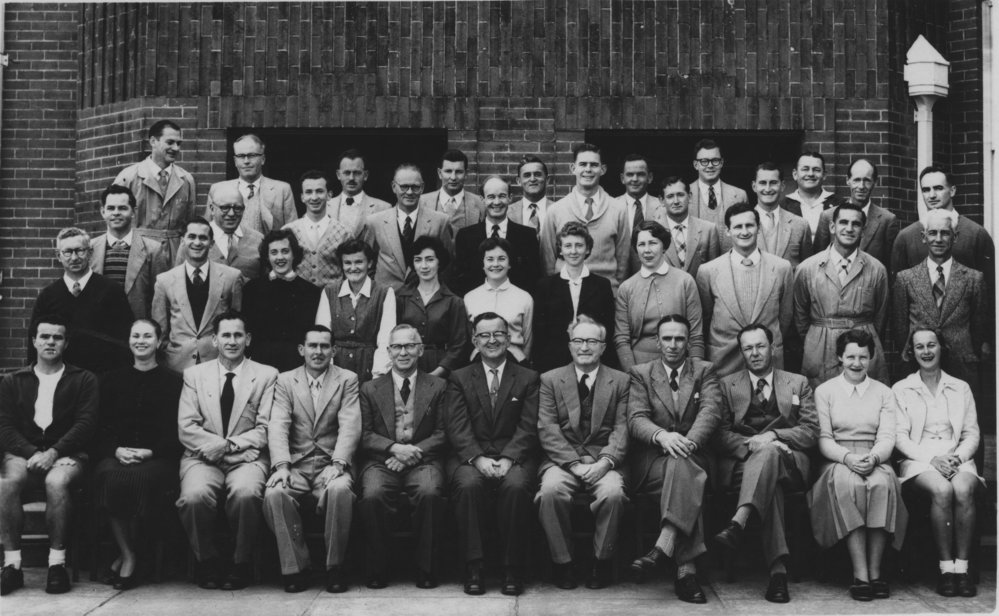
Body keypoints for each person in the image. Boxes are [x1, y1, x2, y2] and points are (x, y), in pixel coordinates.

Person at [711, 323, 818, 603]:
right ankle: (778, 573)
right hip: (744, 463)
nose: (755, 353)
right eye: (748, 348)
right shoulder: (727, 385)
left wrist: (773, 435)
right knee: (771, 478)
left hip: (791, 460)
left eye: (760, 346)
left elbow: (810, 431)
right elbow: (719, 434)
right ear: (742, 352)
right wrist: (753, 446)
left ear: (772, 347)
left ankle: (740, 520)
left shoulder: (797, 382)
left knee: (770, 453)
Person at [176, 310, 278, 591]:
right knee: (194, 497)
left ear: (248, 339)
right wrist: (217, 448)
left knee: (246, 494)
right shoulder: (194, 375)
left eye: (238, 335)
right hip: (202, 458)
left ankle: (240, 562)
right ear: (214, 340)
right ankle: (206, 559)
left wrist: (230, 445)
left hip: (247, 458)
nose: (232, 341)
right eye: (226, 335)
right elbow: (187, 427)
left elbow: (265, 427)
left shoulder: (267, 375)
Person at [0, 316, 98, 596]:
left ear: (66, 343)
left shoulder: (83, 379)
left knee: (57, 482)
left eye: (57, 337)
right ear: (34, 342)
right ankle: (12, 565)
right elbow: (4, 426)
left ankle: (57, 564)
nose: (50, 342)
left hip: (68, 454)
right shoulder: (13, 380)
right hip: (23, 453)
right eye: (44, 337)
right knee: (6, 483)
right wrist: (34, 453)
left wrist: (55, 452)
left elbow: (86, 424)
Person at [807, 329, 906, 602]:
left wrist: (874, 458)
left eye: (863, 357)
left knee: (882, 484)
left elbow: (887, 437)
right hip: (837, 458)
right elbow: (824, 439)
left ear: (871, 358)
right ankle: (859, 574)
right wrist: (848, 458)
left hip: (875, 456)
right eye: (850, 356)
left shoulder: (884, 393)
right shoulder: (825, 391)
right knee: (846, 484)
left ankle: (876, 573)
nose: (856, 363)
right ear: (840, 357)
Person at [628, 315, 722, 604]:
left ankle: (665, 545)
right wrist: (663, 437)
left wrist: (687, 442)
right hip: (655, 462)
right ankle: (686, 572)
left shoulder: (705, 370)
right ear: (657, 341)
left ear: (689, 342)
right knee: (684, 475)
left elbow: (711, 411)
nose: (672, 344)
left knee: (683, 466)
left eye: (679, 338)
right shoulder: (641, 373)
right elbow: (636, 418)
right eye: (666, 338)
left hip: (695, 456)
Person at [446, 312, 540, 596]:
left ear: (509, 337)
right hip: (470, 456)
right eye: (484, 335)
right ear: (474, 340)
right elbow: (456, 425)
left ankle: (512, 569)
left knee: (515, 487)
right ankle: (474, 567)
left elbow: (529, 425)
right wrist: (478, 458)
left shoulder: (528, 377)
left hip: (516, 455)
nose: (492, 340)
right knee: (468, 485)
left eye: (498, 334)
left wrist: (510, 457)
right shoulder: (459, 377)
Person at [263, 325, 360, 594]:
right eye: (313, 346)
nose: (318, 352)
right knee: (274, 494)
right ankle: (296, 567)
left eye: (324, 346)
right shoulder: (285, 381)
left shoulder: (347, 379)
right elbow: (278, 424)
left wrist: (339, 463)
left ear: (334, 351)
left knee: (340, 490)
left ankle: (334, 567)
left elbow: (350, 424)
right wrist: (281, 466)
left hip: (331, 462)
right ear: (301, 350)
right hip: (297, 464)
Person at [536, 315, 629, 590]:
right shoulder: (550, 379)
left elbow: (623, 428)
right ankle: (563, 563)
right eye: (578, 340)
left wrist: (605, 462)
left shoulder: (621, 381)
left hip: (605, 459)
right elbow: (547, 428)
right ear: (569, 345)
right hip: (563, 460)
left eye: (592, 341)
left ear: (603, 346)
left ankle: (602, 561)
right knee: (550, 492)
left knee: (613, 494)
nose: (584, 347)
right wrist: (574, 465)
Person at [92, 319, 183, 590]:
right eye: (135, 336)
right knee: (110, 477)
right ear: (129, 341)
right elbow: (100, 425)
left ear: (158, 342)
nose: (141, 341)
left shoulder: (174, 383)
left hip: (157, 458)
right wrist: (116, 450)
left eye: (147, 336)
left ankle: (130, 555)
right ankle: (129, 554)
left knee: (139, 481)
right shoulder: (110, 380)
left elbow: (176, 429)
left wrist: (149, 452)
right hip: (116, 455)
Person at [892, 328, 982, 598]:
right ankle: (945, 569)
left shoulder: (960, 387)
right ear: (912, 352)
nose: (926, 351)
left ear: (942, 348)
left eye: (932, 345)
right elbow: (899, 437)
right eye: (920, 347)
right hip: (919, 460)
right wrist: (931, 459)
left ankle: (962, 569)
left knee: (964, 489)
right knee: (942, 490)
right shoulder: (902, 388)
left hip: (956, 457)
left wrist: (959, 457)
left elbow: (972, 433)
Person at [357, 325, 449, 589]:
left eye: (410, 346)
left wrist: (412, 452)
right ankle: (379, 567)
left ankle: (426, 568)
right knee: (373, 495)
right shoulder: (370, 388)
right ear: (388, 351)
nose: (403, 352)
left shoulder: (439, 386)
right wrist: (394, 449)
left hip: (424, 460)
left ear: (420, 350)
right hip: (382, 461)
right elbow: (364, 434)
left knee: (430, 492)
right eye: (397, 346)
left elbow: (444, 433)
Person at [793, 203, 889, 387]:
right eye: (843, 222)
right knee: (821, 404)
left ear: (863, 230)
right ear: (832, 227)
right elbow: (800, 318)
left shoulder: (876, 269)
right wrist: (817, 337)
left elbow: (881, 317)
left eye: (856, 224)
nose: (849, 228)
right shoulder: (808, 268)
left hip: (862, 343)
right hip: (820, 346)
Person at [892, 210, 989, 391]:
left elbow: (979, 326)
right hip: (918, 364)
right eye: (932, 233)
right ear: (923, 237)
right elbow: (900, 328)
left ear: (955, 237)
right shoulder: (905, 279)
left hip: (961, 366)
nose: (938, 239)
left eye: (945, 233)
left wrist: (967, 351)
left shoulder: (974, 279)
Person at [697, 203, 794, 377]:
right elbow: (705, 317)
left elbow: (785, 317)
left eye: (749, 225)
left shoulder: (781, 268)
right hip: (724, 361)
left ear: (759, 228)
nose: (744, 231)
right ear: (727, 231)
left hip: (768, 361)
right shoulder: (708, 271)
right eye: (738, 227)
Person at [31, 227, 134, 375]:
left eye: (80, 250)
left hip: (103, 377)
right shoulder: (48, 296)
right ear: (58, 256)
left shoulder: (112, 291)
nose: (74, 258)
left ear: (90, 253)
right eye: (67, 252)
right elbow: (34, 342)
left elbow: (124, 340)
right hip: (61, 379)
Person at [151, 217, 245, 373]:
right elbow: (159, 330)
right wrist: (172, 351)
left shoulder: (231, 277)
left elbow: (238, 321)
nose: (197, 242)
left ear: (212, 243)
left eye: (203, 238)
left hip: (218, 363)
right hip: (177, 366)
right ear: (182, 241)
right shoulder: (164, 281)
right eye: (192, 237)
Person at [539, 143, 632, 292]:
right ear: (573, 168)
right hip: (565, 291)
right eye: (583, 164)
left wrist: (615, 289)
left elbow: (624, 260)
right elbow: (547, 260)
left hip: (605, 292)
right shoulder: (556, 210)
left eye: (594, 165)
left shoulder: (618, 209)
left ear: (603, 170)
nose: (588, 169)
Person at [615, 221, 704, 371]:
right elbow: (621, 339)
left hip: (680, 364)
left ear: (664, 246)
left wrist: (694, 372)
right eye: (641, 244)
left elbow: (696, 336)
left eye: (653, 243)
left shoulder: (685, 281)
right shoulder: (626, 288)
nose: (647, 250)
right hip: (639, 365)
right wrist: (633, 374)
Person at [890, 166, 995, 288]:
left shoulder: (976, 234)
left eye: (938, 188)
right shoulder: (906, 237)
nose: (932, 195)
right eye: (926, 190)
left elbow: (989, 291)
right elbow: (897, 292)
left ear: (952, 191)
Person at [533, 222, 616, 374]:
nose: (573, 251)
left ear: (588, 249)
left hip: (591, 359)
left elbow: (608, 327)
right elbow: (540, 333)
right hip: (554, 361)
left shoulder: (602, 285)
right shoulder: (545, 286)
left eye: (579, 245)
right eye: (568, 246)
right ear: (560, 249)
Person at [112, 120, 196, 264]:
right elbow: (114, 220)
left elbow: (189, 223)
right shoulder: (129, 177)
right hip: (137, 253)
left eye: (179, 143)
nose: (175, 148)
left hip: (175, 256)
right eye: (170, 142)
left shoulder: (186, 180)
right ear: (153, 141)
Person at [241, 229, 323, 372]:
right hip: (259, 365)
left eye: (285, 251)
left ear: (294, 254)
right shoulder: (251, 289)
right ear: (267, 257)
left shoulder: (311, 292)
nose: (280, 257)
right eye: (274, 253)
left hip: (296, 366)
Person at [316, 238, 396, 383]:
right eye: (347, 263)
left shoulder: (384, 293)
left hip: (370, 367)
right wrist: (328, 372)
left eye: (359, 262)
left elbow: (386, 339)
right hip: (336, 368)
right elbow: (323, 336)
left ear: (369, 263)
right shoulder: (329, 292)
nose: (353, 268)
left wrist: (377, 376)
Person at [363, 164, 454, 291]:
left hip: (424, 298)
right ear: (394, 187)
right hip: (386, 298)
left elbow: (447, 265)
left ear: (422, 188)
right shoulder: (375, 222)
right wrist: (377, 289)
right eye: (404, 187)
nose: (410, 192)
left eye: (415, 187)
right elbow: (366, 262)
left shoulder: (440, 221)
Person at [89, 184, 170, 319]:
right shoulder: (90, 249)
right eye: (111, 208)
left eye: (122, 208)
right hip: (98, 329)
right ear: (103, 212)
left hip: (137, 331)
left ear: (133, 212)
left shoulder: (153, 249)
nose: (116, 213)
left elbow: (160, 299)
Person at [453, 175, 541, 295]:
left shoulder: (527, 236)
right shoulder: (465, 236)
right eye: (491, 197)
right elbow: (461, 279)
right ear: (482, 199)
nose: (497, 202)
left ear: (510, 198)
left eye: (502, 196)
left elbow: (533, 279)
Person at [395, 236, 468, 377]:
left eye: (430, 259)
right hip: (407, 368)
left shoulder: (454, 301)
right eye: (418, 260)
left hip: (443, 370)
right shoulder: (401, 297)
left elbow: (459, 345)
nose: (424, 266)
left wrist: (438, 373)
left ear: (439, 262)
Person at [812, 158, 900, 270]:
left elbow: (890, 265)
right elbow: (818, 259)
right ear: (847, 180)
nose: (861, 186)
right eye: (856, 180)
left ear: (875, 182)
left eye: (867, 180)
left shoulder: (887, 220)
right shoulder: (828, 216)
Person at [207, 133, 297, 235]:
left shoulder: (282, 190)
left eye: (252, 155)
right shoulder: (218, 189)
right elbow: (207, 231)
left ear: (263, 159)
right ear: (235, 161)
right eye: (241, 156)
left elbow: (292, 232)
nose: (246, 161)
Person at [462, 238, 534, 363]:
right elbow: (469, 336)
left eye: (501, 259)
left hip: (515, 363)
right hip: (479, 363)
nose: (495, 264)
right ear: (483, 264)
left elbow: (527, 339)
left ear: (509, 263)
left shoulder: (524, 298)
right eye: (490, 259)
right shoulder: (469, 298)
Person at [177, 182, 263, 280]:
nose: (231, 213)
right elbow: (178, 280)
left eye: (237, 208)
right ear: (212, 208)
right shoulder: (192, 240)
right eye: (225, 208)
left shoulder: (258, 240)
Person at [282, 170, 352, 288]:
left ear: (329, 195)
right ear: (302, 197)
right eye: (308, 192)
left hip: (332, 300)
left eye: (319, 191)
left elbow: (350, 271)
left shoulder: (344, 233)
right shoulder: (288, 231)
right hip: (298, 299)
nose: (314, 197)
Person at [751, 162, 812, 269]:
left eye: (773, 182)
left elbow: (806, 270)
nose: (768, 188)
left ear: (782, 186)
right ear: (754, 186)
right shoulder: (742, 224)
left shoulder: (800, 225)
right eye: (762, 183)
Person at [659, 176, 721, 280]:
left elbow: (714, 273)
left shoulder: (708, 229)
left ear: (690, 197)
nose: (676, 201)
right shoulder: (654, 232)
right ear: (661, 200)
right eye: (670, 196)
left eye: (680, 195)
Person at [326, 149, 392, 239]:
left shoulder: (383, 208)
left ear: (365, 175)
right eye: (347, 172)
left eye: (357, 173)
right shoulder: (325, 207)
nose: (351, 178)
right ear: (338, 175)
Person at [419, 149, 486, 233]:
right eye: (448, 171)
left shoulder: (480, 204)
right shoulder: (422, 202)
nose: (453, 177)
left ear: (466, 174)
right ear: (440, 173)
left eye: (459, 172)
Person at [687, 138, 748, 228]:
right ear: (696, 165)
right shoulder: (684, 194)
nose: (710, 165)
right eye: (704, 161)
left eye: (715, 160)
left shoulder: (739, 195)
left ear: (721, 163)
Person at [783, 151, 842, 242]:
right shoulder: (783, 206)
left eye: (816, 170)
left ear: (824, 175)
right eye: (805, 169)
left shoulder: (838, 204)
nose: (810, 174)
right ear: (795, 174)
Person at [508, 155, 551, 233]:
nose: (532, 179)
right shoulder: (508, 213)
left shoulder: (558, 209)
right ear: (518, 181)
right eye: (527, 175)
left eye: (537, 174)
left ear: (547, 180)